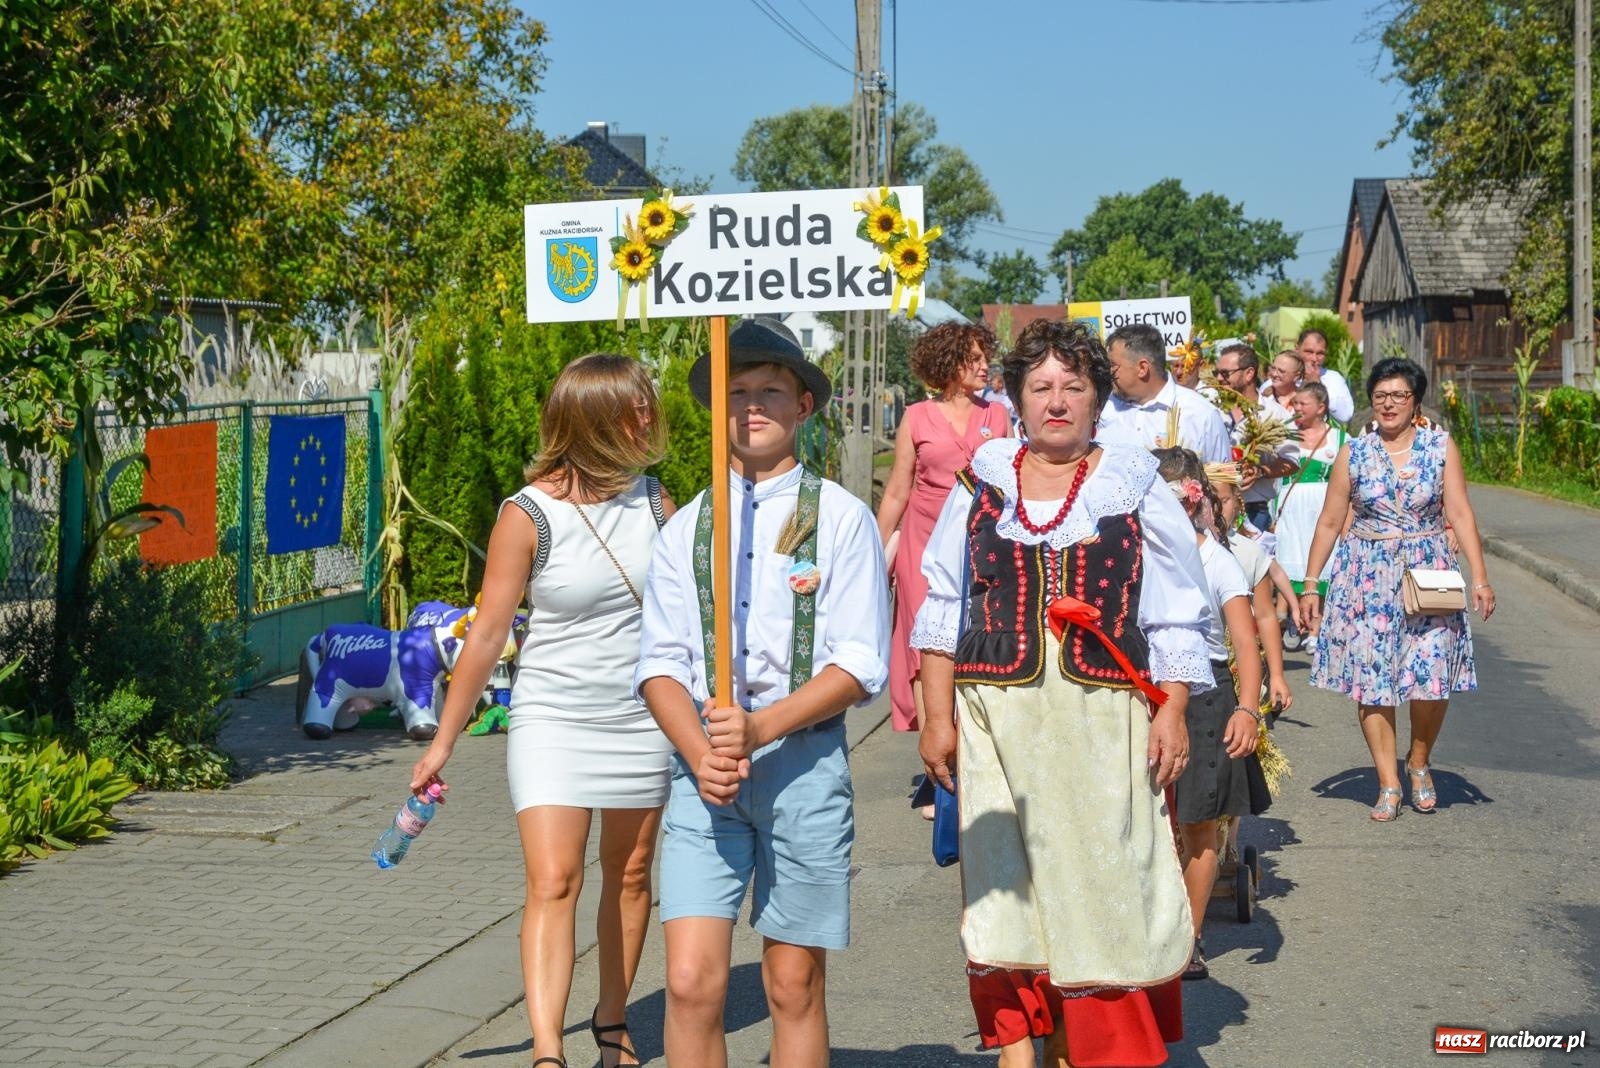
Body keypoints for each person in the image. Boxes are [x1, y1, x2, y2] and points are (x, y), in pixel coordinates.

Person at [915, 318, 1214, 1068]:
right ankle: (1021, 1048)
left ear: (1097, 399)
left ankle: (1093, 1048)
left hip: (1102, 719)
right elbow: (944, 603)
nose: (1056, 402)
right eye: (1040, 387)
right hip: (996, 717)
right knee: (1004, 885)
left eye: (1073, 387)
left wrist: (1174, 708)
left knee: (1100, 880)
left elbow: (1175, 609)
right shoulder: (984, 481)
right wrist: (936, 717)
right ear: (1016, 398)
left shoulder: (1133, 482)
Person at [634, 317, 890, 1068]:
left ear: (803, 405)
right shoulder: (685, 528)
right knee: (690, 984)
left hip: (803, 766)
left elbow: (859, 662)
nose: (751, 406)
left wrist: (762, 726)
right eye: (736, 391)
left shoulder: (840, 518)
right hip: (703, 772)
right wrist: (700, 752)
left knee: (792, 984)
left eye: (770, 391)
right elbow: (659, 664)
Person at [409, 354, 674, 1068]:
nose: (648, 417)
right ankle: (548, 1051)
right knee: (554, 879)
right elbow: (487, 633)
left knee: (631, 874)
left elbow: (686, 614)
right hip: (553, 717)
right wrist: (443, 741)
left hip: (640, 718)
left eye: (646, 405)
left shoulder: (656, 503)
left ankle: (612, 1021)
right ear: (593, 419)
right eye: (636, 407)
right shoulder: (527, 513)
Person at [1297, 357, 1496, 821]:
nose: (1388, 404)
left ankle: (1418, 762)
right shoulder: (1354, 453)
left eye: (1398, 396)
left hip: (1430, 572)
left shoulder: (1440, 447)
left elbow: (1460, 512)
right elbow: (1329, 521)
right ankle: (1388, 782)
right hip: (1366, 576)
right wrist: (1310, 584)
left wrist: (1481, 578)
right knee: (1373, 682)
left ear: (1415, 401)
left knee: (1433, 673)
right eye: (1380, 396)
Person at [1152, 448, 1265, 983]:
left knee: (1197, 821)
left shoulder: (1216, 560)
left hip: (1205, 693)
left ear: (1196, 502)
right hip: (1143, 690)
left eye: (1179, 501)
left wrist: (1247, 709)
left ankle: (1189, 938)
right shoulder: (1134, 553)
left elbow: (1245, 643)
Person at [876, 323, 1011, 735]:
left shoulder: (997, 414)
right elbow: (897, 490)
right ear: (950, 362)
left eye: (986, 357)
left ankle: (970, 739)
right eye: (974, 358)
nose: (985, 366)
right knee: (924, 636)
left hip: (981, 539)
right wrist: (873, 554)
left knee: (975, 632)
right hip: (922, 539)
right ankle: (933, 744)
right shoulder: (916, 416)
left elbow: (1011, 484)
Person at [1208, 465, 1295, 715]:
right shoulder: (1188, 550)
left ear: (1237, 501)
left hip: (1244, 665)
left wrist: (1276, 675)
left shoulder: (1250, 551)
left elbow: (1266, 615)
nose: (1216, 510)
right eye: (1210, 502)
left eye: (1224, 501)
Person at [1099, 321, 1233, 463]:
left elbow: (1222, 474)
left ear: (1142, 368)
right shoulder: (1102, 409)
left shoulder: (1200, 414)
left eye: (1113, 365)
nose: (1109, 372)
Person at [1274, 382, 1347, 602]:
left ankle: (1319, 615)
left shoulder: (1340, 439)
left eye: (1303, 404)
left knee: (1323, 558)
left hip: (1323, 510)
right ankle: (1288, 613)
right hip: (1292, 511)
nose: (1297, 408)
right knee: (1289, 555)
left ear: (1320, 407)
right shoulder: (1284, 435)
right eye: (1295, 403)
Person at [1295, 328, 1356, 424]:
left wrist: (1318, 384)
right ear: (1297, 349)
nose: (1314, 358)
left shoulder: (1334, 378)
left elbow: (1345, 415)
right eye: (1309, 352)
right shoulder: (1285, 374)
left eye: (1320, 353)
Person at [980, 361, 1018, 426]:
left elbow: (1011, 413)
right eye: (992, 384)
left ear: (1000, 385)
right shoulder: (988, 394)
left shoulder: (1006, 396)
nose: (992, 386)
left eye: (994, 384)